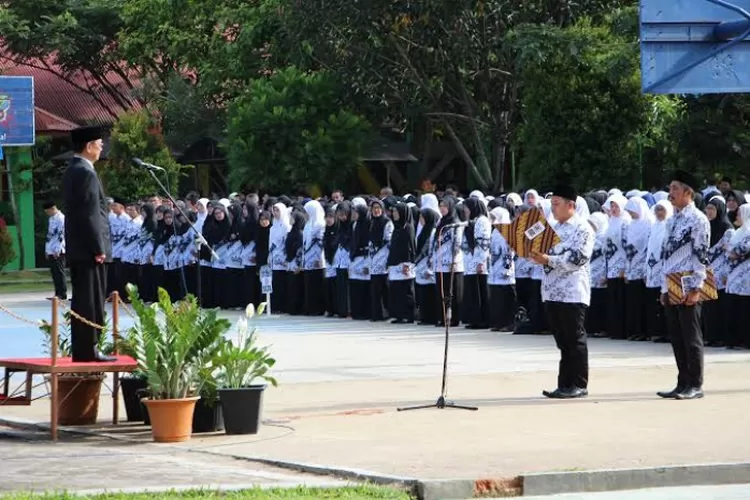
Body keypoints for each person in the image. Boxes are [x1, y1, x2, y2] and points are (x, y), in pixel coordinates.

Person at [530, 184, 595, 399]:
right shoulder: (552, 227)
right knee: (562, 341)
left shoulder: (583, 228)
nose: (553, 209)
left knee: (574, 338)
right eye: (552, 205)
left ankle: (578, 383)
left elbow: (578, 259)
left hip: (572, 292)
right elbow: (540, 252)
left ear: (571, 205)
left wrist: (548, 259)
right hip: (551, 291)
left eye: (556, 204)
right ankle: (564, 384)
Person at [61, 126, 115, 362]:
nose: (102, 147)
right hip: (89, 249)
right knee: (89, 300)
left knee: (86, 298)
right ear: (89, 146)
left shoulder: (74, 170)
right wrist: (98, 247)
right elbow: (90, 214)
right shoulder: (85, 172)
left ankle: (86, 349)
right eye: (99, 142)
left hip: (80, 248)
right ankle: (88, 349)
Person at [657, 170, 711, 400]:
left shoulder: (698, 219)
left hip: (689, 283)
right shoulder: (672, 220)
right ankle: (682, 381)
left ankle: (695, 384)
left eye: (675, 189)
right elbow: (666, 256)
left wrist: (697, 287)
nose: (671, 193)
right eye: (670, 188)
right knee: (677, 336)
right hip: (672, 283)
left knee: (691, 336)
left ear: (688, 192)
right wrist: (663, 288)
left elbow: (701, 255)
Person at [43, 201, 67, 301]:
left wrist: (57, 249)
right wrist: (47, 250)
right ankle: (57, 292)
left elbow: (61, 235)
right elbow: (50, 235)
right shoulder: (51, 219)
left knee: (59, 272)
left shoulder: (61, 218)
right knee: (54, 272)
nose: (47, 213)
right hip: (51, 249)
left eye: (48, 211)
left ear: (53, 208)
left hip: (59, 250)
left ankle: (62, 293)